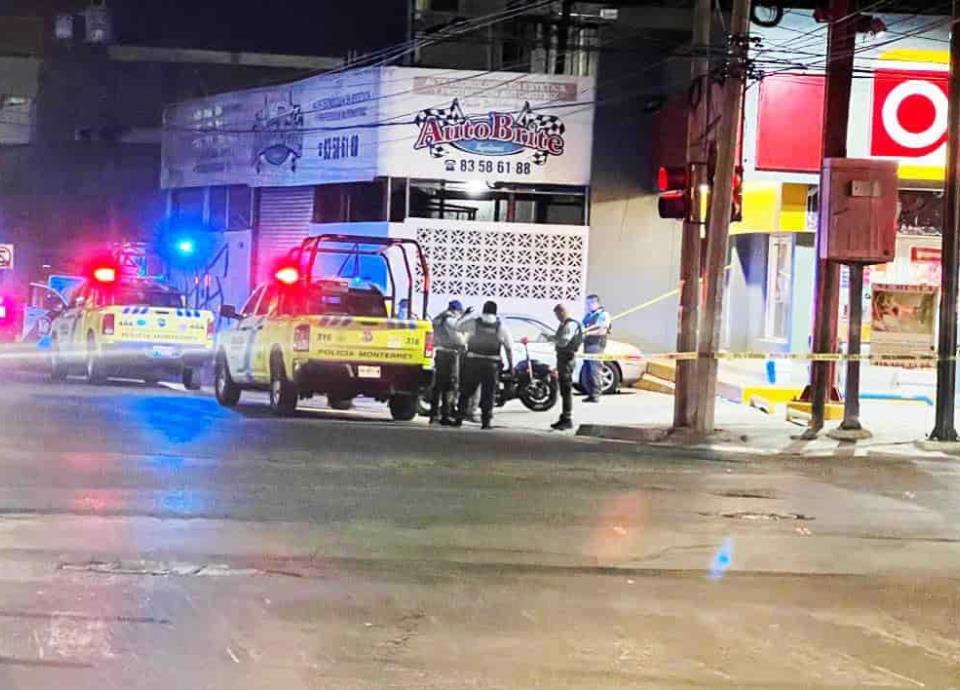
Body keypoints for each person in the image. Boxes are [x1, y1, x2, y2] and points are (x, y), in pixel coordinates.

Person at [454, 300, 514, 429]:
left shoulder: (474, 322)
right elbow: (509, 348)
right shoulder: (500, 327)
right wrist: (511, 366)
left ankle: (459, 418)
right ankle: (486, 422)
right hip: (491, 365)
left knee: (466, 391)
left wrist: (464, 316)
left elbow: (457, 327)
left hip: (473, 362)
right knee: (488, 394)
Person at [429, 300, 466, 425]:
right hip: (450, 354)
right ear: (456, 310)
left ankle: (434, 414)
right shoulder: (450, 321)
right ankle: (446, 414)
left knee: (438, 385)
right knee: (450, 385)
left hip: (440, 353)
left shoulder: (438, 319)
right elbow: (459, 339)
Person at [551, 303, 583, 431]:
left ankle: (567, 418)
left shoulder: (570, 325)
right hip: (563, 358)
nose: (557, 318)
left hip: (567, 359)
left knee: (566, 389)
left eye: (557, 315)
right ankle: (564, 417)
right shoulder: (564, 324)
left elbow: (563, 342)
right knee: (564, 389)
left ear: (562, 312)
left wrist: (554, 340)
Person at [581, 293, 612, 402]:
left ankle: (596, 394)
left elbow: (602, 331)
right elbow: (582, 326)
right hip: (587, 345)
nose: (588, 306)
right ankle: (590, 393)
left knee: (595, 370)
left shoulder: (603, 315)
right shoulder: (589, 315)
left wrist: (587, 333)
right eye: (587, 304)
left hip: (596, 345)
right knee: (587, 371)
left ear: (596, 303)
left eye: (589, 304)